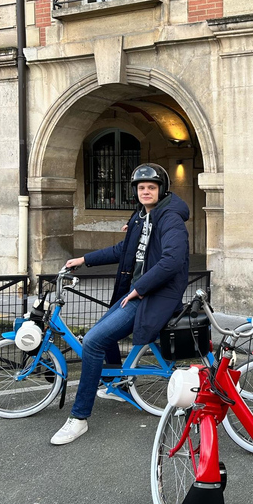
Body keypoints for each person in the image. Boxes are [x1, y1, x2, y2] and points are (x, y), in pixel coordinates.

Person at [50, 163, 190, 445]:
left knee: (92, 341)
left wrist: (139, 288)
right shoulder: (141, 217)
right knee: (100, 332)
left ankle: (78, 418)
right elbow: (121, 250)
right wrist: (84, 259)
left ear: (161, 190)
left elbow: (172, 261)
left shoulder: (169, 219)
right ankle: (114, 385)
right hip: (136, 292)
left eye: (151, 187)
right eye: (141, 188)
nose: (146, 191)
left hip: (151, 295)